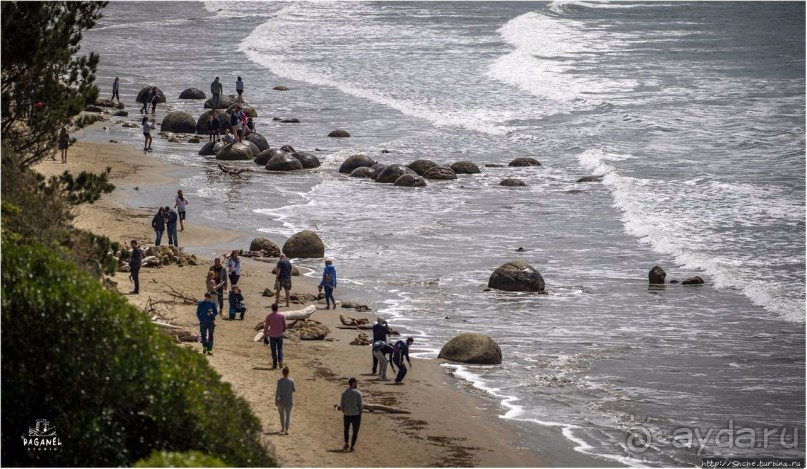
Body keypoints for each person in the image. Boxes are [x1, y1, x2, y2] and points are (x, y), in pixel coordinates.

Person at [340, 377, 363, 452]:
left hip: (347, 415)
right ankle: (352, 446)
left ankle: (346, 443)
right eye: (356, 382)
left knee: (346, 429)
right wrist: (360, 413)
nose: (356, 384)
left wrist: (345, 412)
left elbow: (342, 405)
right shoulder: (358, 393)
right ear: (353, 383)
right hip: (356, 415)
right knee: (355, 431)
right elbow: (360, 406)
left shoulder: (344, 393)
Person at [263, 303, 287, 369]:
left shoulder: (269, 316)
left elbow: (266, 326)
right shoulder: (282, 315)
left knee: (273, 350)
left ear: (272, 308)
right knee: (280, 349)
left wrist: (265, 335)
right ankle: (280, 361)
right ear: (277, 308)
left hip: (272, 335)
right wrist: (283, 330)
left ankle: (274, 364)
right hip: (279, 335)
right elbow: (285, 325)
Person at [275, 366, 295, 435]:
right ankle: (287, 430)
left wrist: (276, 400)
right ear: (288, 373)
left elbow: (277, 391)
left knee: (282, 415)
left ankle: (283, 428)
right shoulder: (291, 380)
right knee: (288, 416)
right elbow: (294, 390)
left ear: (282, 373)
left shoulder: (279, 380)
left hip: (281, 401)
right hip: (289, 401)